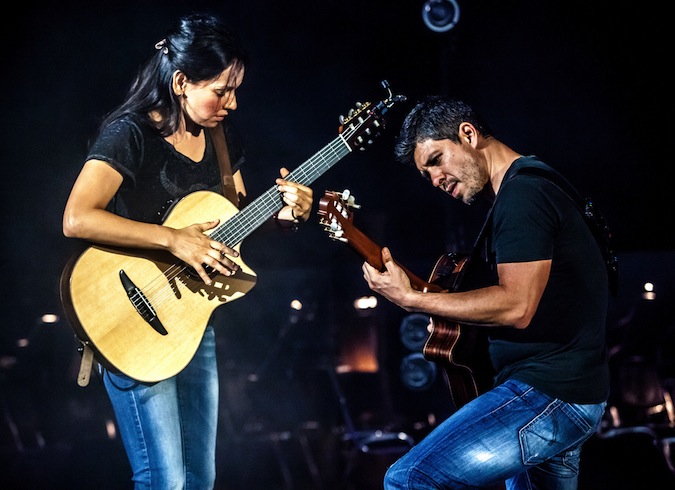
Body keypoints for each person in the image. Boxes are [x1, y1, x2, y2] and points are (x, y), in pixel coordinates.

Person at [62, 13, 313, 489]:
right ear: (180, 81)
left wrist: (284, 215)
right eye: (221, 89)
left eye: (235, 89)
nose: (231, 103)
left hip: (192, 327)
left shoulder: (220, 137)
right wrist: (173, 238)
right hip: (128, 318)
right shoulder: (130, 132)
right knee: (165, 481)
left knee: (200, 480)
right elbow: (77, 218)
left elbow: (235, 223)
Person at [361, 96, 611, 489]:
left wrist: (412, 299)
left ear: (468, 134)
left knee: (410, 478)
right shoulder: (526, 189)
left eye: (436, 160)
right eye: (426, 176)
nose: (436, 180)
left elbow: (516, 306)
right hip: (567, 395)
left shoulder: (523, 196)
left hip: (546, 395)